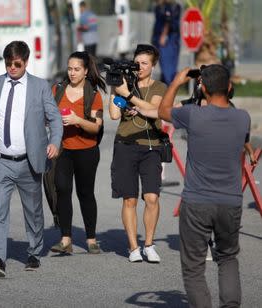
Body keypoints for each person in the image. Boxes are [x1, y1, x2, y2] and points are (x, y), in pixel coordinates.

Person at [158, 64, 251, 308]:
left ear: (203, 88)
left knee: (194, 268)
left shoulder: (193, 115)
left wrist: (177, 82)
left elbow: (163, 111)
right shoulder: (243, 118)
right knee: (228, 258)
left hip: (197, 201)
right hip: (230, 202)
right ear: (229, 87)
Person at [0, 41, 63, 277]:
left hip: (28, 161)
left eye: (17, 64)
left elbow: (54, 119)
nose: (12, 67)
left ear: (26, 61)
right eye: (8, 63)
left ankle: (33, 251)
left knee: (33, 211)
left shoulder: (40, 86)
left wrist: (54, 142)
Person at [109, 44, 167, 263]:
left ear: (153, 66)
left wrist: (128, 94)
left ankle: (149, 244)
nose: (140, 67)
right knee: (129, 199)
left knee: (152, 197)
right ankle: (134, 247)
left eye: (145, 63)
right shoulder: (123, 85)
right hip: (125, 145)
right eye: (137, 63)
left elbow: (153, 111)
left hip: (151, 145)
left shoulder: (159, 87)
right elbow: (114, 115)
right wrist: (116, 89)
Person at [49, 51, 105, 254]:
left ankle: (91, 238)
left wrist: (77, 120)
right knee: (62, 191)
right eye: (70, 68)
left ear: (86, 71)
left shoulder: (94, 95)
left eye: (77, 69)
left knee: (85, 193)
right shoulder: (57, 89)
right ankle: (66, 239)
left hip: (87, 150)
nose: (72, 73)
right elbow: (47, 115)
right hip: (63, 150)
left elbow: (96, 127)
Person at [151, 0, 181, 85]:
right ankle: (167, 86)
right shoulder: (160, 7)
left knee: (168, 67)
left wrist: (164, 35)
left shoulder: (171, 6)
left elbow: (168, 21)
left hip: (168, 39)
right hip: (160, 38)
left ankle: (170, 87)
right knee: (164, 66)